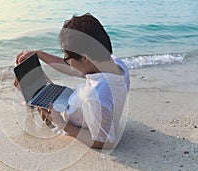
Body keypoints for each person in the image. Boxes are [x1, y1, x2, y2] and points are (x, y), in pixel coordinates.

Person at [14, 13, 130, 149]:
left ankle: (31, 100)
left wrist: (61, 123)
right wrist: (39, 54)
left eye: (67, 57)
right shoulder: (115, 64)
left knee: (29, 85)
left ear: (85, 58)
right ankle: (36, 96)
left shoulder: (95, 96)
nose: (66, 61)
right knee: (41, 85)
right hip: (77, 105)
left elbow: (106, 143)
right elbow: (71, 69)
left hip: (64, 116)